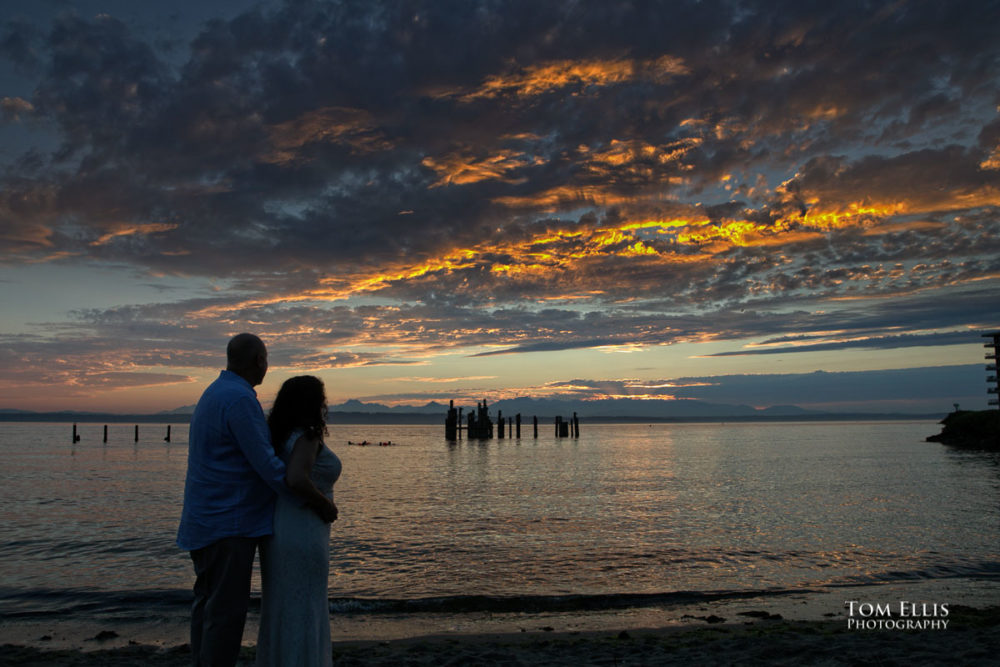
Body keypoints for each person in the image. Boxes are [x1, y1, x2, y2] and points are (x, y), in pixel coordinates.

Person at [177, 334, 337, 667]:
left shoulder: (215, 393)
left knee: (207, 606)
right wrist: (314, 500)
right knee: (225, 615)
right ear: (258, 361)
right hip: (228, 523)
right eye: (266, 358)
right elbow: (268, 466)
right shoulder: (239, 400)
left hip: (206, 518)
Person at [256, 375, 342, 667]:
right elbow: (296, 479)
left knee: (282, 605)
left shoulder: (278, 436)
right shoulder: (307, 436)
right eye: (321, 398)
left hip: (280, 527)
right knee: (306, 605)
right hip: (304, 529)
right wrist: (325, 505)